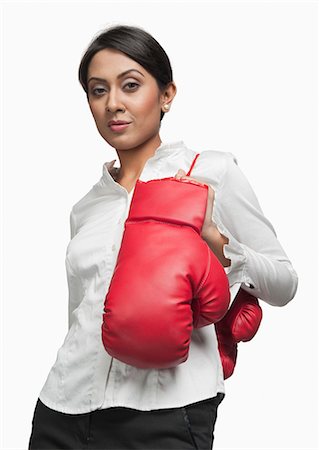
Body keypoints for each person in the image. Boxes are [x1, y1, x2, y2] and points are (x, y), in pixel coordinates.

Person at [28, 24, 298, 450]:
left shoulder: (210, 173)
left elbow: (285, 283)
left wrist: (220, 245)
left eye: (130, 85)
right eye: (98, 91)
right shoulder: (86, 207)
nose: (113, 104)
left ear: (167, 95)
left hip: (167, 413)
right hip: (62, 410)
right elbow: (80, 315)